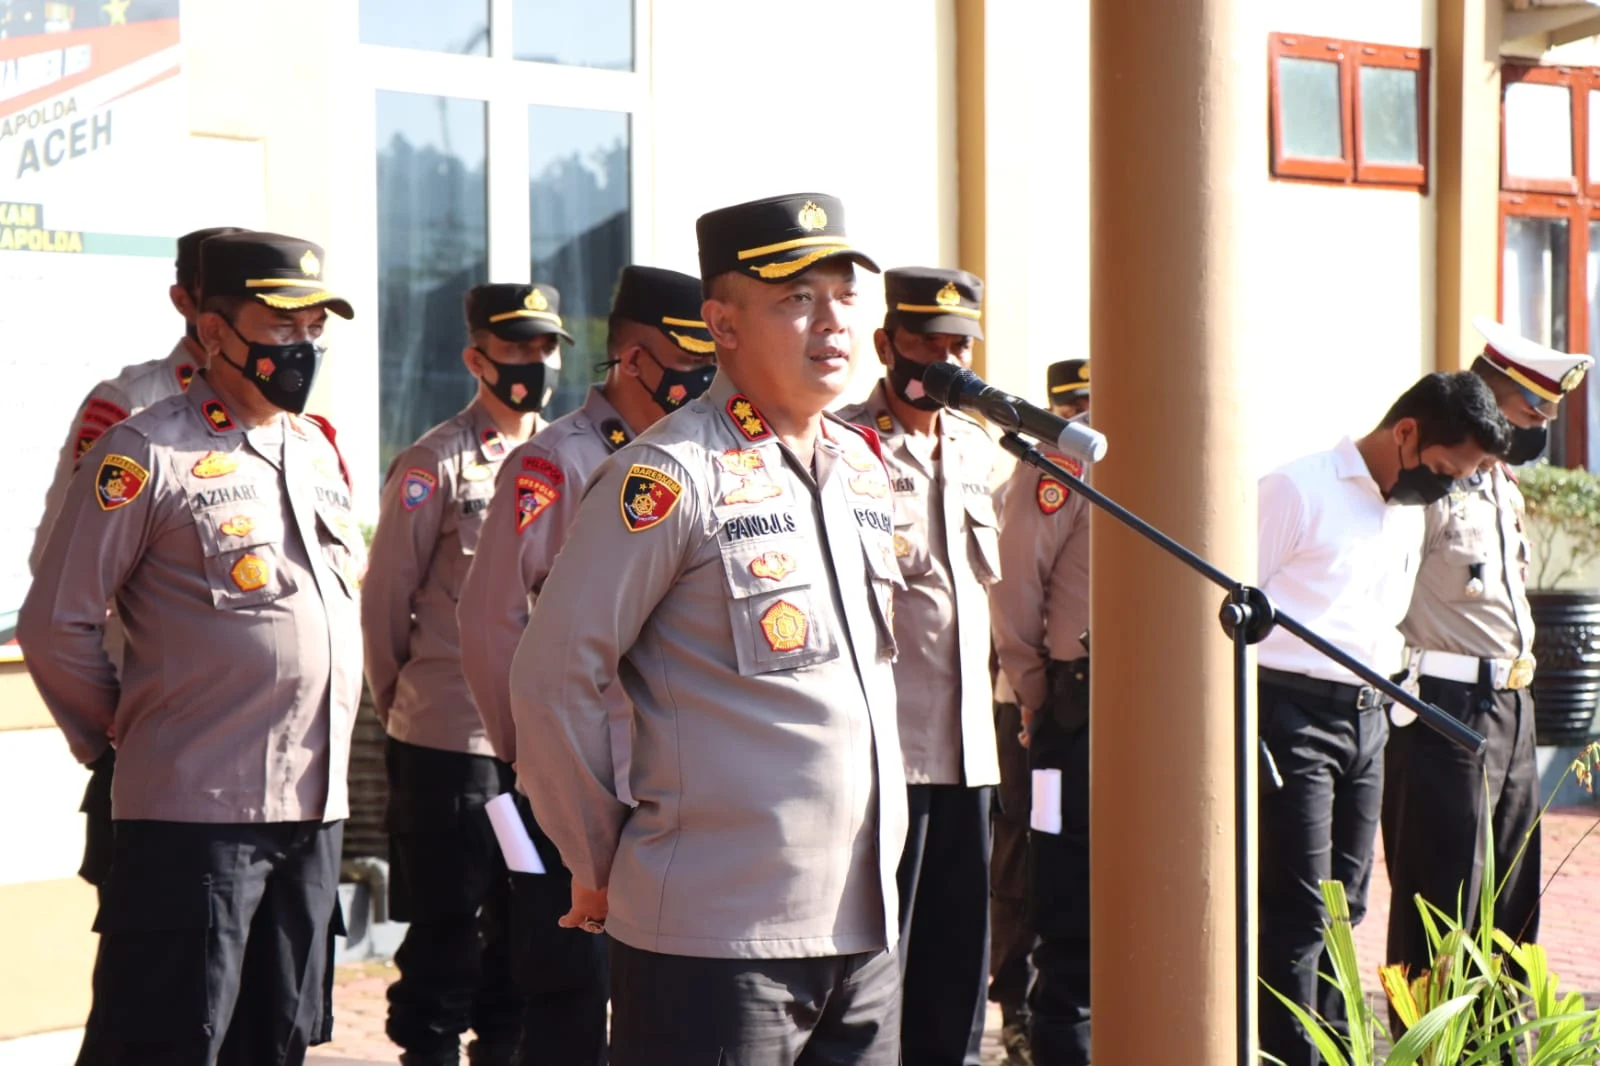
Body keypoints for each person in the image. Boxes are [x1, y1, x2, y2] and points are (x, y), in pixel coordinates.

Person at [508, 192, 908, 1066]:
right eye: (796, 299)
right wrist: (602, 853)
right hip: (716, 937)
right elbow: (552, 677)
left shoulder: (863, 471)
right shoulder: (666, 475)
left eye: (843, 293)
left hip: (865, 929)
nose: (832, 320)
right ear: (721, 324)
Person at [19, 230, 363, 1065]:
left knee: (277, 1038)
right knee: (171, 1040)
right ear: (213, 331)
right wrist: (127, 737)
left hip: (311, 810)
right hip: (194, 815)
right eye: (280, 324)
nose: (302, 345)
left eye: (315, 326)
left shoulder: (314, 447)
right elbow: (54, 622)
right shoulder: (145, 449)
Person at [456, 264, 715, 1062]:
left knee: (666, 996)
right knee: (569, 987)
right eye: (688, 356)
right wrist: (524, 753)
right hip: (580, 778)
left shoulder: (700, 458)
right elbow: (491, 618)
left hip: (676, 781)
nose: (706, 376)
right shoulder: (555, 462)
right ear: (634, 359)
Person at [1255, 370, 1513, 1066]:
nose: (1446, 487)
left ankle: (1339, 1052)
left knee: (1346, 914)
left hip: (1372, 718)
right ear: (1406, 433)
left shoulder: (1403, 508)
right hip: (1291, 714)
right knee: (1298, 912)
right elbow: (1225, 605)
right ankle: (1290, 1056)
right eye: (1442, 469)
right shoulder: (1297, 489)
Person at [362, 281, 568, 1066]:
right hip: (453, 745)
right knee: (446, 927)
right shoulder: (434, 462)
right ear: (475, 358)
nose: (532, 364)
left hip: (535, 748)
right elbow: (387, 602)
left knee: (527, 924)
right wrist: (407, 706)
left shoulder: (567, 456)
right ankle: (429, 1052)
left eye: (544, 348)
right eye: (515, 348)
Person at [1382, 322, 1594, 1012]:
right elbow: (1385, 592)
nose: (1537, 432)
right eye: (1531, 413)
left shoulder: (1501, 485)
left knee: (1511, 902)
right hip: (1444, 706)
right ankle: (1431, 1051)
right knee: (1442, 901)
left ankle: (1496, 1046)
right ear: (1492, 399)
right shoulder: (1430, 480)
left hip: (1511, 706)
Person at [29, 224, 241, 902]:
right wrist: (109, 734)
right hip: (156, 742)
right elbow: (59, 574)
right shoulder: (131, 407)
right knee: (152, 984)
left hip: (266, 760)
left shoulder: (292, 425)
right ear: (187, 302)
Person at [835, 266, 1001, 1066]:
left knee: (959, 962)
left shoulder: (976, 449)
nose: (940, 361)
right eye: (924, 343)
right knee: (878, 965)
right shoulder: (839, 444)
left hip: (971, 751)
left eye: (956, 345)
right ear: (884, 344)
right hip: (885, 755)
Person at [987, 359, 1093, 1066]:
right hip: (1055, 706)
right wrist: (1033, 694)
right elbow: (1016, 584)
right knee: (1039, 868)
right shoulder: (1060, 464)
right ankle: (1019, 1007)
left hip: (1100, 704)